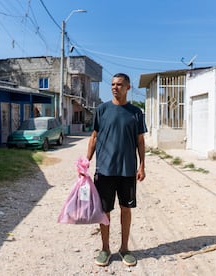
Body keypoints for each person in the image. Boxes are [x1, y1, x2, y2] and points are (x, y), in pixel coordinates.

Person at [86, 73, 147, 267]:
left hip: (127, 171)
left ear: (128, 88)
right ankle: (105, 248)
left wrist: (142, 165)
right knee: (104, 211)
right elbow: (94, 137)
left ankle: (124, 248)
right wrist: (85, 162)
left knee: (126, 209)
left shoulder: (136, 113)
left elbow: (140, 141)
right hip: (104, 170)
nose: (115, 87)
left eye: (119, 84)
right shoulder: (102, 110)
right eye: (112, 84)